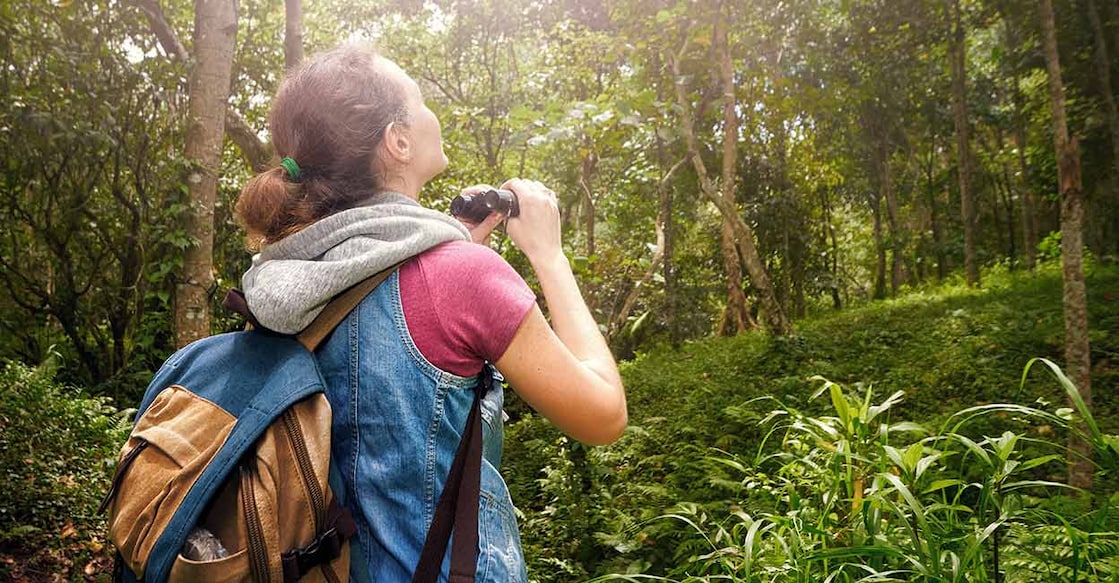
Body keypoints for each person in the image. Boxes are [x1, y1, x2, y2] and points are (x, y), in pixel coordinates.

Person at [233, 43, 627, 581]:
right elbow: (603, 415)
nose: (430, 114)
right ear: (398, 141)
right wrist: (549, 255)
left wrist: (448, 247)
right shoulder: (461, 277)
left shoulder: (279, 276)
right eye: (419, 100)